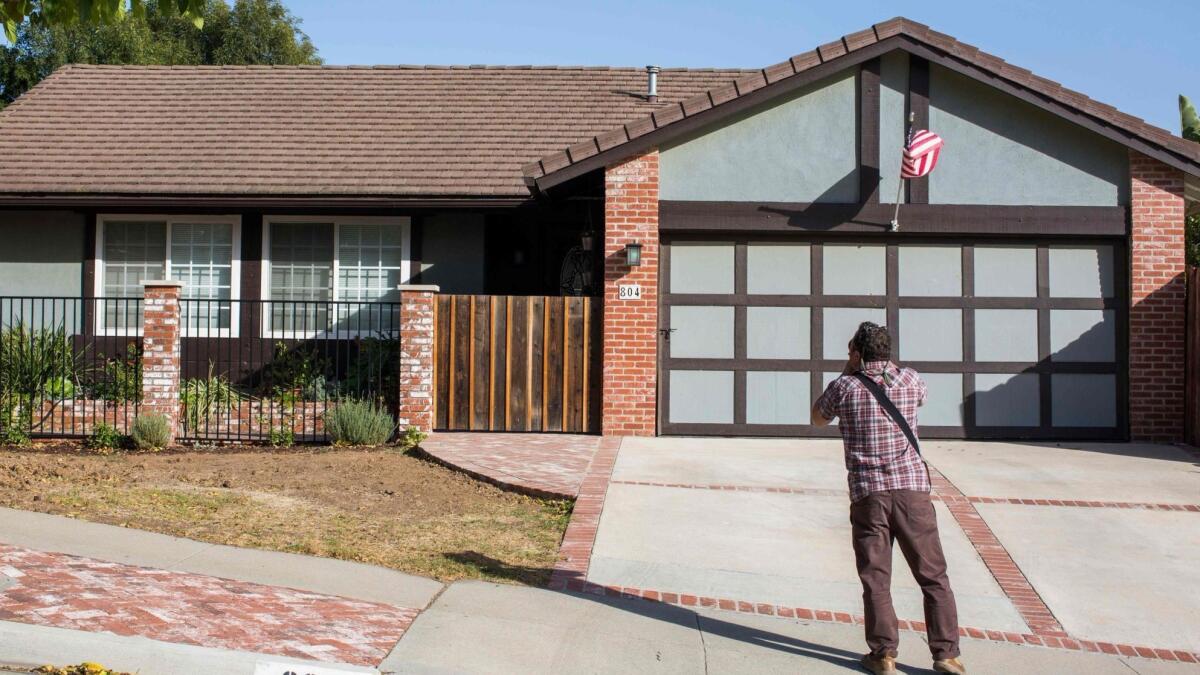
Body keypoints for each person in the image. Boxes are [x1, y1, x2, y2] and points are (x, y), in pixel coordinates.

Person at [811, 321, 966, 675]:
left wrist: (849, 368)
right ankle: (946, 654)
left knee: (876, 577)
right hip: (912, 493)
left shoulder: (844, 387)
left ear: (857, 353)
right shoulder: (911, 380)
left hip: (869, 495)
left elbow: (818, 418)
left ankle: (883, 655)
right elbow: (921, 397)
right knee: (933, 575)